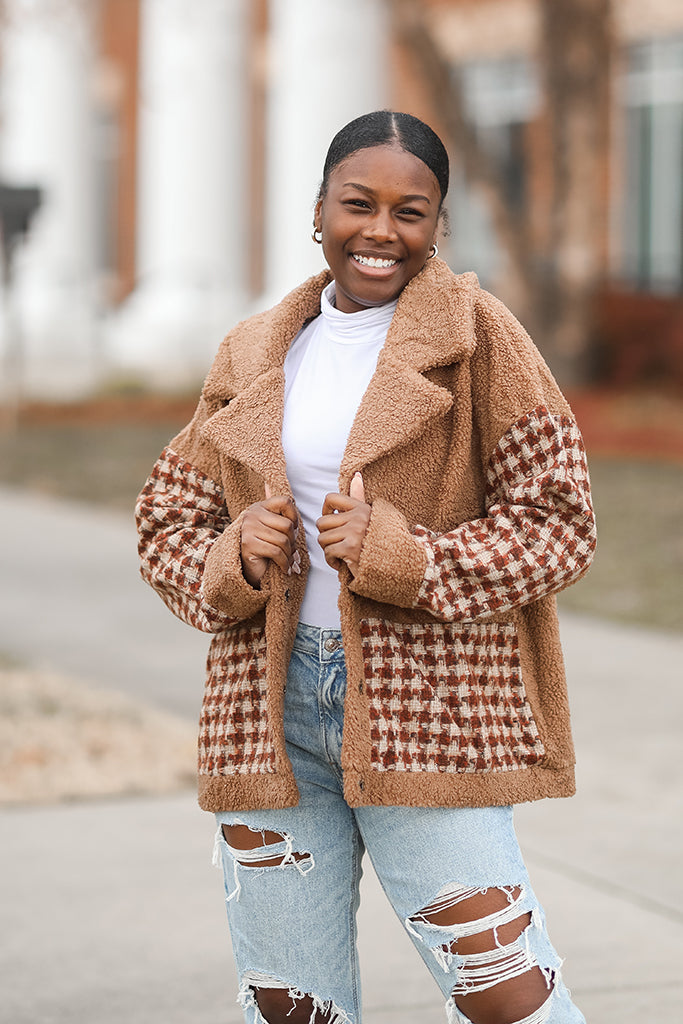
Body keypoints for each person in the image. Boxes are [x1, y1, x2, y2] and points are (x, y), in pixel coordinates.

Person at [136, 110, 596, 1024]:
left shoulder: (477, 338)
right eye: (358, 204)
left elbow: (561, 523)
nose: (380, 230)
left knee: (504, 992)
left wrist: (405, 559)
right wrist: (234, 557)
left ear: (437, 226)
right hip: (269, 716)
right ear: (318, 212)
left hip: (429, 711)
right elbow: (165, 521)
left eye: (410, 211)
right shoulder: (255, 348)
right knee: (290, 1004)